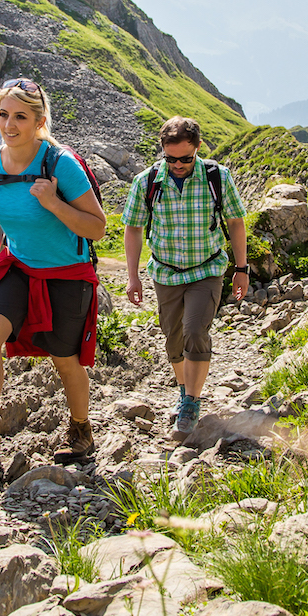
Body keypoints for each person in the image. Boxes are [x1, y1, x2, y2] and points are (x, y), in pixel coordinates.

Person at [0, 78, 109, 469]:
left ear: (39, 121)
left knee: (64, 359)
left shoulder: (60, 164)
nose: (9, 125)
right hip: (16, 267)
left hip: (66, 274)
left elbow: (96, 228)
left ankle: (80, 430)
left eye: (20, 117)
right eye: (3, 114)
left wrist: (54, 203)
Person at [121, 116, 248, 439]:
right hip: (165, 273)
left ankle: (191, 400)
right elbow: (133, 228)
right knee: (173, 340)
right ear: (163, 151)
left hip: (206, 270)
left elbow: (235, 222)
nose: (178, 165)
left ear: (198, 148)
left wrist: (241, 269)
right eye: (171, 158)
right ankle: (183, 389)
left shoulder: (216, 177)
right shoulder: (147, 182)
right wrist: (133, 276)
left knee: (194, 331)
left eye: (186, 158)